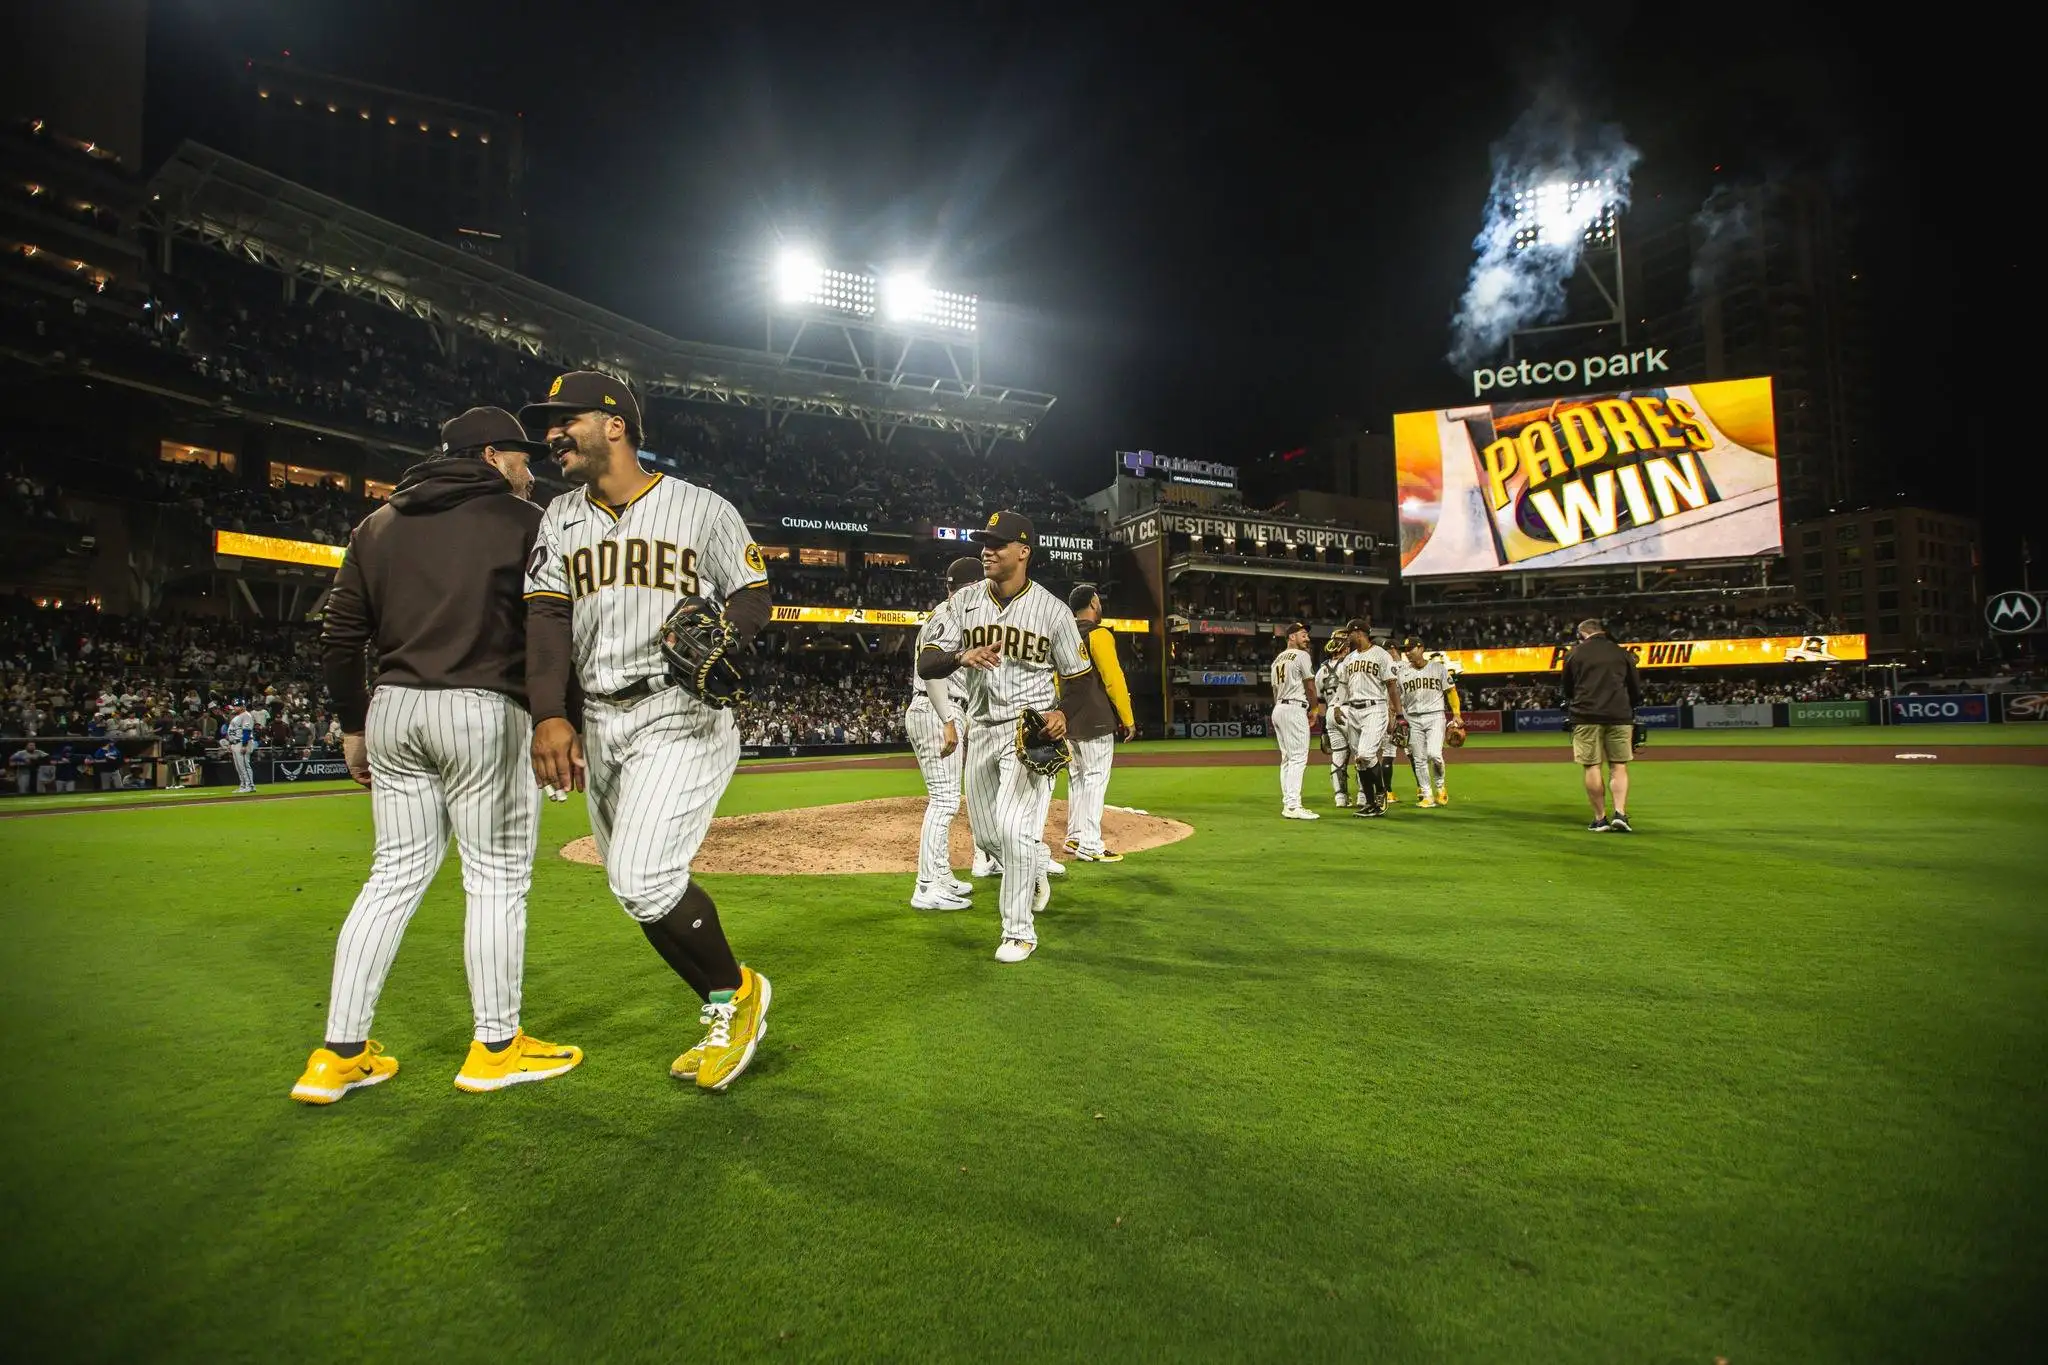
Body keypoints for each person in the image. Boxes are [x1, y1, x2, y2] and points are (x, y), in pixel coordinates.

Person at [292, 405, 579, 1106]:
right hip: (484, 708)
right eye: (518, 457)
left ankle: (339, 1054)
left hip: (392, 707)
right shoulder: (525, 521)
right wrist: (560, 712)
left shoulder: (376, 524)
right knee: (496, 877)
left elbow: (339, 637)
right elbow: (551, 624)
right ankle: (496, 1045)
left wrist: (353, 725)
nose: (527, 470)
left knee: (392, 875)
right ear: (487, 454)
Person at [523, 371, 775, 1090]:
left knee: (644, 875)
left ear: (614, 424)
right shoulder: (560, 517)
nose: (551, 434)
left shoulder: (701, 508)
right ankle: (725, 1000)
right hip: (600, 716)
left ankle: (742, 991)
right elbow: (545, 616)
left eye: (563, 419)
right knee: (632, 889)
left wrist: (730, 634)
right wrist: (551, 712)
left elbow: (753, 592)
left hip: (679, 709)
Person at [918, 510, 1093, 963]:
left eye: (996, 544)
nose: (986, 551)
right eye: (984, 543)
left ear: (1023, 551)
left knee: (1015, 828)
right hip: (980, 728)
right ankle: (1035, 865)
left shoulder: (1053, 611)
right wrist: (961, 654)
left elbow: (1080, 680)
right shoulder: (963, 602)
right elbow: (927, 663)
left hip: (1027, 730)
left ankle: (1019, 931)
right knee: (989, 837)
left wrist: (1061, 713)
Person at [905, 557, 984, 909]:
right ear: (969, 587)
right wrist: (948, 719)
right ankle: (925, 887)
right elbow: (931, 672)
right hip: (936, 707)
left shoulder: (947, 613)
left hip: (939, 707)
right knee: (944, 800)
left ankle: (940, 874)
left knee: (947, 798)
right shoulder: (951, 613)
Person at [1060, 582, 1137, 862]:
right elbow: (1113, 678)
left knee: (1078, 778)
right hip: (1095, 718)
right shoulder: (1099, 634)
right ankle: (1091, 843)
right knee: (1094, 777)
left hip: (1068, 718)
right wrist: (1128, 718)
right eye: (1098, 601)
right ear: (1093, 603)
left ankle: (1075, 836)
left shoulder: (1064, 636)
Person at [1560, 617, 1643, 833]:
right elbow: (1636, 688)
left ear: (1582, 634)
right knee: (1618, 765)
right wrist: (1629, 707)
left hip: (1586, 715)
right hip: (1619, 715)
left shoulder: (1574, 654)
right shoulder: (1621, 652)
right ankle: (1620, 813)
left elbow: (1567, 689)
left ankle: (1600, 819)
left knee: (1592, 766)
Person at [1335, 620, 1403, 818]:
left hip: (1374, 708)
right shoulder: (1349, 658)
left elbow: (1391, 686)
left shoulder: (1381, 655)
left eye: (1350, 632)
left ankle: (1381, 792)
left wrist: (1398, 714)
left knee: (1365, 754)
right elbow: (1343, 684)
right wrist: (1338, 705)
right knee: (1359, 761)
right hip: (1353, 710)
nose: (1348, 636)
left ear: (1360, 633)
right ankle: (1371, 803)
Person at [1393, 637, 1461, 807]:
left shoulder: (1438, 668)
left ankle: (1440, 787)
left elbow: (1451, 692)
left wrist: (1457, 714)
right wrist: (1396, 715)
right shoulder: (1402, 673)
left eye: (1411, 649)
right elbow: (1395, 697)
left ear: (1421, 648)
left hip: (1435, 716)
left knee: (1434, 755)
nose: (1407, 653)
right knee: (1419, 759)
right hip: (1412, 719)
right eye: (1405, 650)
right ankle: (1427, 795)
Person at [1269, 621, 1320, 819]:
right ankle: (1293, 806)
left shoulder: (1277, 660)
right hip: (1294, 707)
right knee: (1298, 758)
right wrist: (1315, 708)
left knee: (1287, 759)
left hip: (1279, 707)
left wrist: (1280, 708)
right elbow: (1310, 686)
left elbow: (1274, 690)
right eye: (1303, 634)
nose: (1307, 638)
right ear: (1292, 637)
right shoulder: (1302, 655)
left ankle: (1288, 804)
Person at [1315, 632, 1352, 807]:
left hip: (1330, 713)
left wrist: (1323, 729)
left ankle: (1340, 798)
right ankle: (1363, 796)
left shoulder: (1321, 670)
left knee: (1337, 757)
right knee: (1362, 754)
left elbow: (1320, 702)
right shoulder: (1350, 664)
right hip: (1349, 709)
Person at [224, 701, 259, 793]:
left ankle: (250, 786)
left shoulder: (246, 715)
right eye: (235, 706)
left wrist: (244, 745)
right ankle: (243, 785)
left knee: (244, 765)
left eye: (237, 706)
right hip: (235, 743)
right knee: (239, 767)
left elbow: (246, 731)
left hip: (242, 743)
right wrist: (230, 743)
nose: (235, 708)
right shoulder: (238, 716)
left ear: (243, 707)